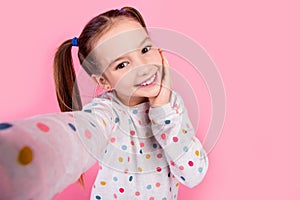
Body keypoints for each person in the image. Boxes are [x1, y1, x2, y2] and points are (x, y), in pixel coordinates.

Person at [0, 6, 209, 200]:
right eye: (122, 64)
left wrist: (162, 109)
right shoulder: (106, 112)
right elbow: (78, 131)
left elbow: (193, 175)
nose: (143, 68)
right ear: (103, 81)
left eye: (145, 50)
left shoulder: (172, 107)